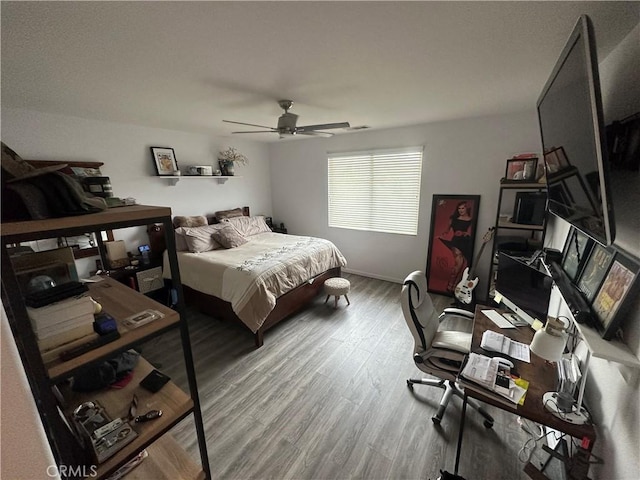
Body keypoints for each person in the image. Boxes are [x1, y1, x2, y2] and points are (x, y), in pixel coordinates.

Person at [439, 201, 474, 293]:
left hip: (466, 242)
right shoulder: (453, 219)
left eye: (463, 208)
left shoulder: (471, 220)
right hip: (456, 242)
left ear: (466, 209)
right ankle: (450, 286)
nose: (461, 210)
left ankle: (455, 287)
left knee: (463, 266)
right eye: (459, 208)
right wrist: (441, 236)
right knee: (458, 264)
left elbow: (470, 233)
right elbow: (446, 231)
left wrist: (464, 233)